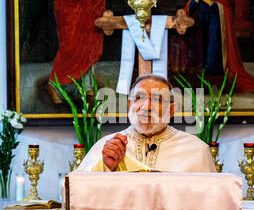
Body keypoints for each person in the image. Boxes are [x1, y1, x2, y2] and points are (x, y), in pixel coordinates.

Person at [77, 73, 216, 173]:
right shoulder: (107, 146)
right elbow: (76, 193)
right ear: (129, 104)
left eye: (158, 100)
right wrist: (105, 166)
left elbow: (213, 201)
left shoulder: (196, 150)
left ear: (172, 110)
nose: (147, 107)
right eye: (139, 98)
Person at [185, 0, 254, 94]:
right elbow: (189, 8)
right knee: (200, 48)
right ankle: (203, 78)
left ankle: (214, 76)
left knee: (213, 49)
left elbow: (226, 9)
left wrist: (211, 3)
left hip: (216, 24)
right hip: (202, 24)